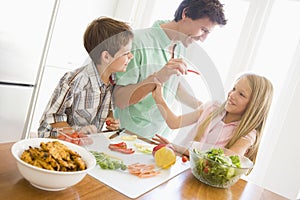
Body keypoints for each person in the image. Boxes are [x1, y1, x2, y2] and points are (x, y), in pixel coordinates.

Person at [113, 0, 227, 139]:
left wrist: (201, 106)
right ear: (185, 13)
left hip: (159, 138)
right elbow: (119, 99)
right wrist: (159, 77)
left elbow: (173, 86)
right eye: (203, 30)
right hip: (129, 136)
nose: (203, 39)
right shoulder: (137, 41)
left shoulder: (180, 46)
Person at [38, 17, 134, 138]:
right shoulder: (75, 81)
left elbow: (105, 108)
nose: (131, 56)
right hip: (56, 143)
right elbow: (53, 118)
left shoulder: (113, 81)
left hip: (86, 144)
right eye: (126, 53)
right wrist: (76, 134)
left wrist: (110, 119)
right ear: (106, 56)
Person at [152, 73, 273, 165]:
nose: (232, 95)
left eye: (241, 94)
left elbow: (226, 160)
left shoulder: (247, 134)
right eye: (234, 88)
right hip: (179, 165)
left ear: (254, 105)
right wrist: (159, 98)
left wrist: (178, 148)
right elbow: (175, 122)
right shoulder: (211, 108)